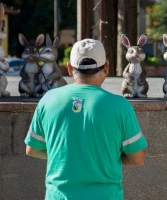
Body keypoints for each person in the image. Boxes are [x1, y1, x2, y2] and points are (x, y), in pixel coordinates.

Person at [24, 39, 148, 199]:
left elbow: (32, 149)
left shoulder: (48, 100)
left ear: (69, 68)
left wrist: (69, 154)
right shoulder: (120, 106)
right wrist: (104, 156)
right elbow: (137, 159)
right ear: (106, 67)